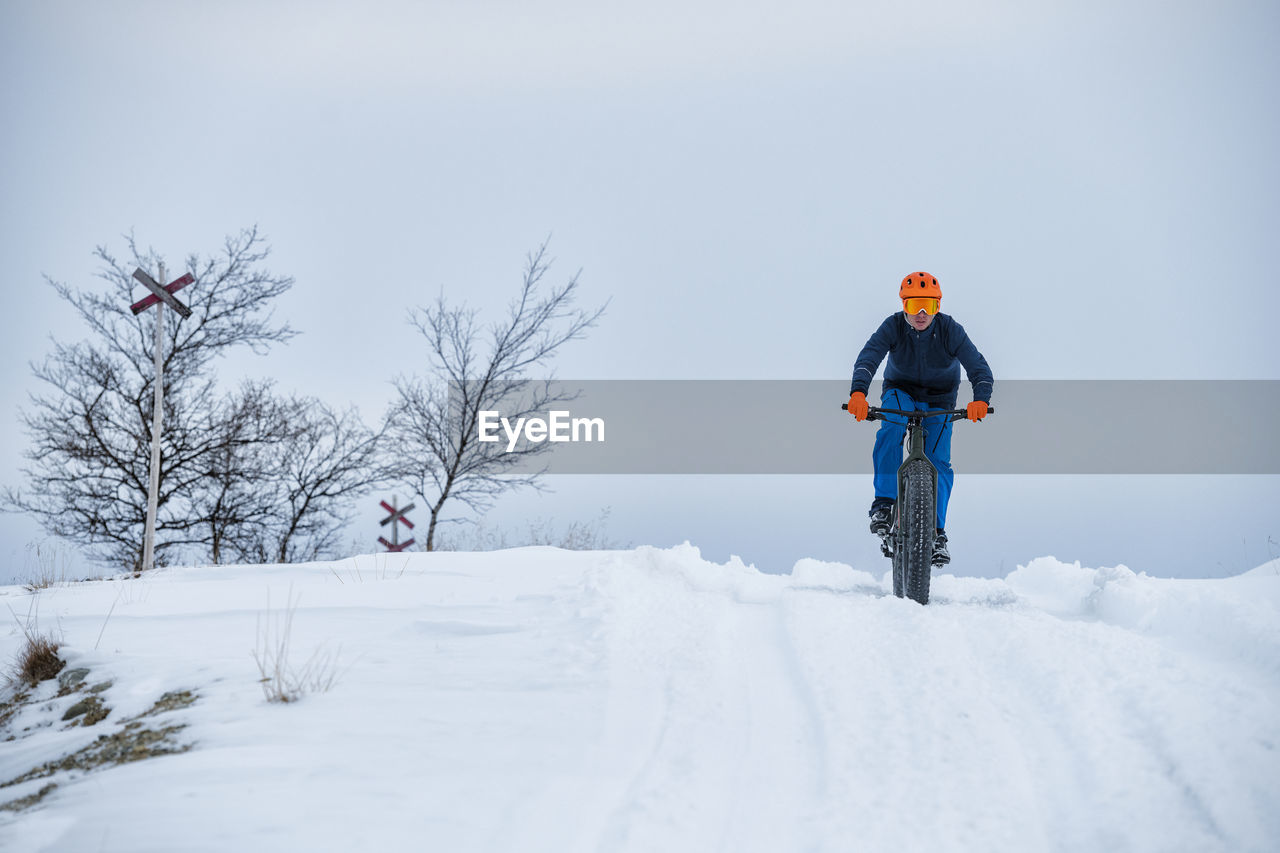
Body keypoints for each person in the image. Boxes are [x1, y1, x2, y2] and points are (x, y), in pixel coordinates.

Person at [846, 271, 993, 566]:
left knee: (939, 462)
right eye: (914, 306)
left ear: (938, 306)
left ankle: (937, 534)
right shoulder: (893, 327)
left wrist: (980, 399)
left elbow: (979, 368)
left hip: (940, 399)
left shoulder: (951, 330)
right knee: (891, 429)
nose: (922, 314)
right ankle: (884, 504)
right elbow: (868, 357)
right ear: (904, 307)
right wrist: (858, 393)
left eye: (928, 305)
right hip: (900, 391)